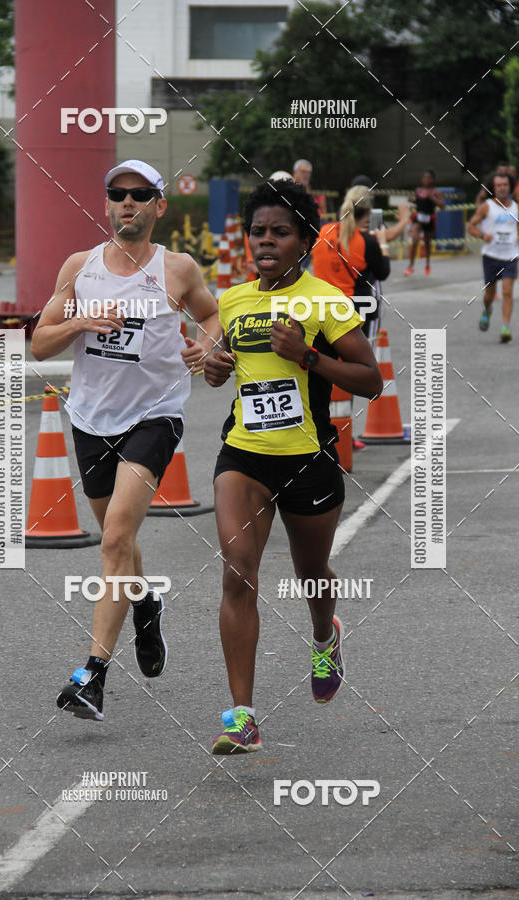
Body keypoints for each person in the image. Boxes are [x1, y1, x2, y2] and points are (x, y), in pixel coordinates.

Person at [31, 159, 221, 721]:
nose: (127, 204)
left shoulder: (177, 269)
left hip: (154, 416)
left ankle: (91, 674)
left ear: (160, 206)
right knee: (119, 541)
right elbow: (38, 344)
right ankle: (147, 602)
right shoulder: (79, 268)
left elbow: (211, 318)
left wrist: (204, 349)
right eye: (118, 194)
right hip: (91, 418)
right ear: (107, 203)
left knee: (114, 538)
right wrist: (80, 324)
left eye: (140, 195)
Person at [203, 180, 382, 753]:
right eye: (258, 231)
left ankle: (324, 634)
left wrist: (306, 354)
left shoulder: (325, 301)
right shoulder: (233, 301)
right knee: (237, 569)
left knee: (312, 573)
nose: (266, 241)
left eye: (280, 232)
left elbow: (371, 381)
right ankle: (242, 716)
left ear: (304, 240)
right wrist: (214, 366)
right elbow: (226, 367)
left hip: (309, 459)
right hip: (244, 455)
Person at [312, 185, 390, 450]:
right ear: (367, 212)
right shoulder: (366, 242)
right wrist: (383, 243)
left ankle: (318, 431)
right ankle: (344, 434)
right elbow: (383, 271)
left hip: (317, 312)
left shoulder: (322, 233)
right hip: (351, 314)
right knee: (352, 374)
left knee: (319, 373)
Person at [468, 171, 519, 343]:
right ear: (494, 187)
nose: (502, 188)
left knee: (507, 291)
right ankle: (487, 310)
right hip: (491, 257)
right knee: (489, 294)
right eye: (499, 185)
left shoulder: (516, 207)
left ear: (510, 186)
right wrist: (483, 235)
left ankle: (505, 327)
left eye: (505, 185)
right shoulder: (487, 207)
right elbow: (471, 227)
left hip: (511, 256)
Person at [405, 169, 445, 276]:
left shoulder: (435, 191)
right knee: (415, 239)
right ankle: (411, 265)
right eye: (424, 178)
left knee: (427, 243)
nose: (425, 180)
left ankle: (427, 263)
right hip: (418, 217)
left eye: (428, 178)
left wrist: (431, 198)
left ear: (432, 180)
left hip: (429, 219)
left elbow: (442, 205)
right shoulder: (418, 190)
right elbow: (418, 202)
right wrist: (412, 200)